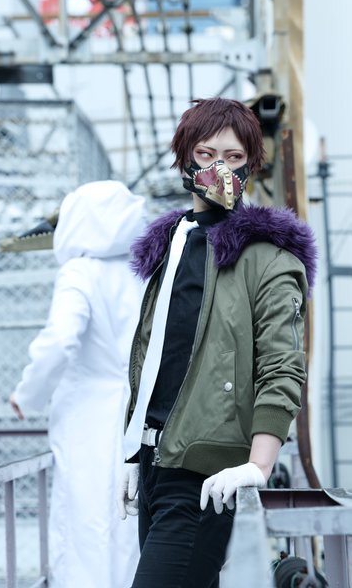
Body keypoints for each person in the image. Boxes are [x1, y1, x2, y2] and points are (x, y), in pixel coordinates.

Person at [117, 97, 317, 588]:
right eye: (206, 155)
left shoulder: (267, 258)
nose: (218, 169)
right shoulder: (173, 246)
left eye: (233, 157)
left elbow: (283, 365)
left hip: (209, 476)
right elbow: (158, 359)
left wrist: (259, 463)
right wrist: (133, 450)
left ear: (251, 164)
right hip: (156, 465)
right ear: (184, 159)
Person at [10, 180, 146, 588]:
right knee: (131, 522)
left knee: (85, 520)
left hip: (88, 415)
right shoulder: (146, 271)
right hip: (142, 411)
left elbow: (60, 340)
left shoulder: (79, 272)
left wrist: (28, 393)